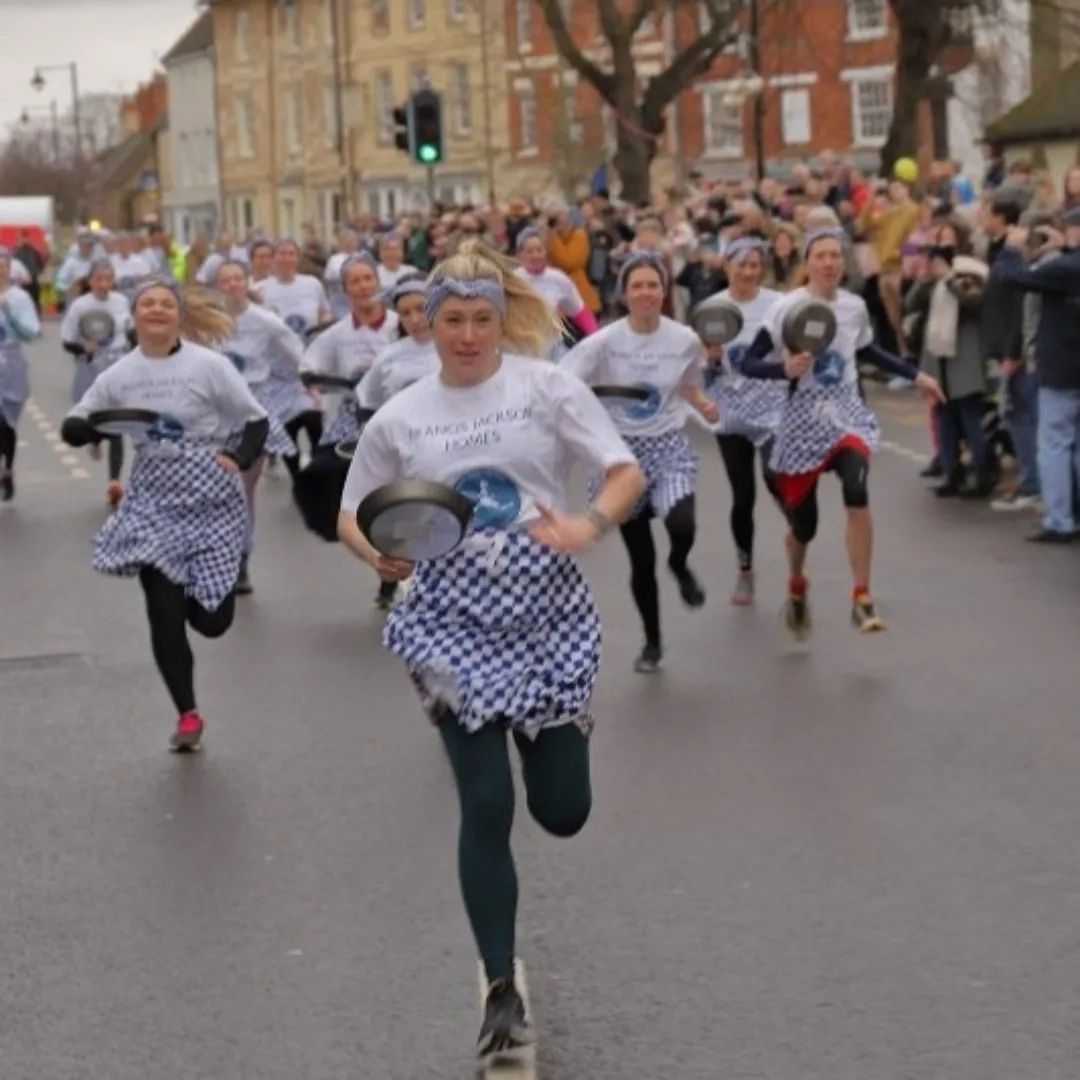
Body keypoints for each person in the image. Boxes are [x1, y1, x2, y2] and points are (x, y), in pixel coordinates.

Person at [337, 239, 645, 1066]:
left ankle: (564, 736)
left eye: (482, 319)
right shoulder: (402, 415)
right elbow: (353, 510)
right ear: (429, 325)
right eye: (452, 321)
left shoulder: (548, 388)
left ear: (501, 319)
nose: (468, 336)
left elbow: (623, 471)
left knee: (562, 812)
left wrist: (589, 522)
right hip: (449, 621)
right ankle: (501, 989)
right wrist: (378, 555)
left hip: (545, 612)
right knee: (486, 804)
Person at [60, 281, 268, 751]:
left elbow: (254, 420)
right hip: (153, 496)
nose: (156, 310)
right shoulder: (120, 373)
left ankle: (213, 591)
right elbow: (82, 417)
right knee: (162, 610)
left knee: (211, 621)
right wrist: (78, 428)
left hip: (211, 494)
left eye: (165, 304)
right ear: (133, 316)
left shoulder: (208, 365)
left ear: (178, 315)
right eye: (147, 304)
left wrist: (237, 455)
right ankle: (188, 714)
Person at [740, 229, 944, 637]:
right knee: (805, 528)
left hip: (846, 415)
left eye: (836, 256)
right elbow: (747, 361)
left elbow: (866, 351)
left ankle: (862, 597)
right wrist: (783, 370)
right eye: (822, 256)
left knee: (857, 490)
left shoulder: (853, 307)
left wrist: (916, 374)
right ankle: (797, 585)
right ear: (808, 262)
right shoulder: (786, 308)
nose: (831, 263)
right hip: (800, 424)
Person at [562, 251, 718, 672]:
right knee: (640, 559)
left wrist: (702, 403)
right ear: (625, 293)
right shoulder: (604, 343)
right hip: (621, 458)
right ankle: (652, 643)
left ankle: (680, 564)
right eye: (638, 286)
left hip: (667, 447)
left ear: (664, 291)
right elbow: (563, 385)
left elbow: (688, 383)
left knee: (682, 524)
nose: (646, 293)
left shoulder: (684, 338)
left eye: (653, 285)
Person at [701, 237, 783, 604]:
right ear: (727, 266)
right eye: (741, 264)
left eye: (755, 264)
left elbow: (792, 349)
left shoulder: (777, 305)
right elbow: (699, 373)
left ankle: (798, 536)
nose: (748, 271)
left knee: (777, 478)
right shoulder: (712, 308)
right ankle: (745, 570)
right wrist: (712, 359)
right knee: (743, 495)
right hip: (730, 411)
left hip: (772, 407)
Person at [215, 260, 304, 592]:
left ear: (245, 283)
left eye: (238, 279)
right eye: (226, 281)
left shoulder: (265, 320)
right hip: (217, 411)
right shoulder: (208, 321)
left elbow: (297, 352)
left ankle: (241, 562)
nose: (233, 285)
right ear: (218, 286)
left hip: (254, 408)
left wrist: (308, 378)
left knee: (242, 489)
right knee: (216, 490)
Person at [993, 208, 1080, 543]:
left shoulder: (1065, 269)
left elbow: (1012, 277)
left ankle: (1059, 519)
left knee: (1054, 444)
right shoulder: (1069, 264)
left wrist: (1012, 248)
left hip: (1061, 368)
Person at [906, 251, 993, 497]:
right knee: (942, 413)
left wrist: (950, 279)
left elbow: (974, 302)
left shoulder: (970, 273)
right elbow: (912, 304)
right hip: (937, 353)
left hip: (963, 353)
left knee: (968, 413)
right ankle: (951, 470)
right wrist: (923, 280)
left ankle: (981, 472)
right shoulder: (932, 282)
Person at [302, 251, 398, 447]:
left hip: (393, 412)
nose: (363, 286)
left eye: (368, 279)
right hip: (350, 415)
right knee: (320, 470)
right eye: (355, 282)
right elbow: (308, 366)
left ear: (378, 284)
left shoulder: (399, 326)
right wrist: (328, 384)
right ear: (345, 291)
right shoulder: (337, 332)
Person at [59, 258, 133, 507]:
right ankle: (94, 438)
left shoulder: (122, 302)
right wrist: (83, 347)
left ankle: (114, 482)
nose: (103, 284)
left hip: (118, 369)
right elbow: (66, 340)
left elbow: (130, 333)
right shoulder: (80, 306)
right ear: (90, 281)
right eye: (98, 279)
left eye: (107, 279)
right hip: (89, 372)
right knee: (94, 420)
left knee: (117, 426)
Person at [513, 227, 598, 358]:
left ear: (545, 252)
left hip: (553, 346)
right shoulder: (512, 281)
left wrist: (596, 338)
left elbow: (580, 312)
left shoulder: (557, 278)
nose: (535, 255)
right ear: (520, 255)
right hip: (522, 349)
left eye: (539, 250)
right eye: (529, 251)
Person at [0, 248, 43, 501]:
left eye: (2, 266)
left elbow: (31, 333)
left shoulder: (19, 298)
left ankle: (8, 468)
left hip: (12, 364)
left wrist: (10, 314)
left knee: (8, 422)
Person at [260, 238, 331, 336]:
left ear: (298, 258)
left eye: (291, 254)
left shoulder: (313, 284)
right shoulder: (260, 288)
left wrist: (321, 330)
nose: (287, 259)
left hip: (309, 344)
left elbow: (324, 312)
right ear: (273, 258)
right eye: (282, 254)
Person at [323, 226, 360, 319]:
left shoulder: (361, 256)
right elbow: (331, 278)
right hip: (340, 303)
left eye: (352, 240)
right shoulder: (334, 259)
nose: (349, 243)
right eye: (346, 240)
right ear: (340, 243)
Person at [110, 232, 154, 300]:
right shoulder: (111, 261)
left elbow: (147, 279)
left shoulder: (141, 261)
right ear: (117, 246)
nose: (123, 246)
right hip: (116, 293)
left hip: (136, 294)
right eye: (121, 244)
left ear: (130, 245)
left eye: (126, 243)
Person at [13, 230, 46, 313]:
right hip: (21, 283)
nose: (25, 240)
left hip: (33, 282)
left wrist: (36, 273)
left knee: (35, 303)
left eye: (26, 238)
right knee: (21, 304)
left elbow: (41, 266)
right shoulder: (16, 252)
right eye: (23, 238)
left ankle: (36, 319)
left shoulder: (35, 252)